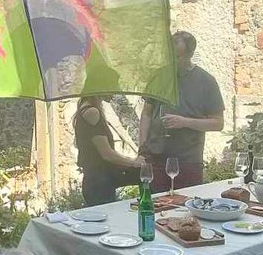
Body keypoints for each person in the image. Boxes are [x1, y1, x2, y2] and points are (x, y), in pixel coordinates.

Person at [139, 31, 225, 193]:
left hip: (188, 161)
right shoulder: (159, 76)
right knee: (154, 207)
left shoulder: (206, 81)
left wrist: (185, 122)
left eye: (177, 57)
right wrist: (143, 148)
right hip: (155, 158)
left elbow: (218, 123)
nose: (172, 61)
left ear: (190, 55)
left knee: (185, 210)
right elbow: (147, 113)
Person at [74, 96, 143, 206]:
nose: (114, 93)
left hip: (100, 178)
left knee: (142, 174)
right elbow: (107, 154)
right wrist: (133, 162)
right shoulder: (92, 112)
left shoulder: (88, 108)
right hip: (99, 181)